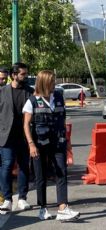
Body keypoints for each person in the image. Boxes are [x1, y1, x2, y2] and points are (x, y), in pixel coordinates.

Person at [22, 70, 80, 221]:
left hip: (58, 142)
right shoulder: (32, 101)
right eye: (52, 81)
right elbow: (26, 125)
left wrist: (68, 141)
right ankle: (43, 208)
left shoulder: (59, 97)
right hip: (39, 144)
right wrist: (31, 144)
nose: (55, 84)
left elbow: (63, 120)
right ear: (44, 83)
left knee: (62, 173)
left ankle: (63, 208)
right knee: (41, 177)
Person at [0, 63, 33, 214]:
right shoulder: (2, 92)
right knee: (6, 167)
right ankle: (7, 199)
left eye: (26, 74)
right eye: (22, 74)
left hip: (24, 137)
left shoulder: (30, 92)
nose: (25, 77)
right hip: (6, 137)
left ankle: (22, 198)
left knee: (24, 166)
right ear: (14, 75)